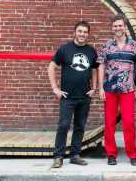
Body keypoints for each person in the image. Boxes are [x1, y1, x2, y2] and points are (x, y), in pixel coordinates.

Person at [48, 20, 99, 168]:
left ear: (88, 34)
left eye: (85, 32)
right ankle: (58, 156)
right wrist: (55, 88)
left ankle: (75, 155)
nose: (82, 34)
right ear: (75, 32)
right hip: (67, 97)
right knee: (63, 125)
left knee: (80, 126)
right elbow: (51, 67)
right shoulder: (65, 49)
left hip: (84, 96)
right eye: (80, 31)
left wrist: (94, 87)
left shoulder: (91, 51)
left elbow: (95, 69)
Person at [98, 14, 136, 166]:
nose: (118, 28)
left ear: (125, 27)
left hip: (128, 89)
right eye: (115, 26)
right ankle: (111, 153)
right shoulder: (106, 45)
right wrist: (100, 88)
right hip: (109, 88)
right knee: (109, 122)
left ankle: (132, 154)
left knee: (129, 122)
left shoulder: (134, 46)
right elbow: (101, 65)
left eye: (120, 25)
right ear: (112, 28)